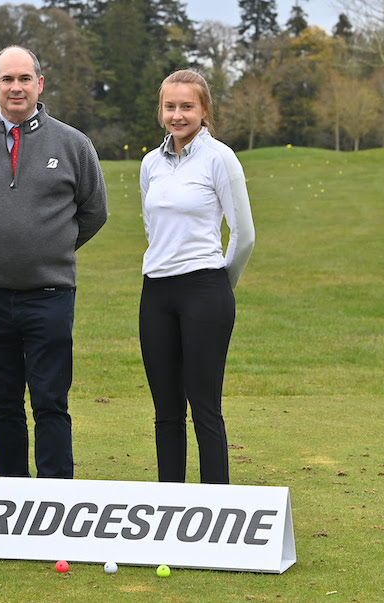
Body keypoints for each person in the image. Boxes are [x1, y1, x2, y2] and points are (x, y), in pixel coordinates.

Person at [0, 45, 108, 479]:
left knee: (51, 403)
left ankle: (54, 499)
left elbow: (94, 212)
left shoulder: (74, 144)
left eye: (24, 79)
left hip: (50, 296)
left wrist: (52, 246)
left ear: (40, 84)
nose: (16, 87)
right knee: (2, 405)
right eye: (7, 79)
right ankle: (12, 497)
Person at [139, 69, 255, 484]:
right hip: (156, 292)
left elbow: (243, 235)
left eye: (187, 106)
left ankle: (216, 505)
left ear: (204, 110)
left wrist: (221, 284)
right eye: (170, 106)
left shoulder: (219, 158)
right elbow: (152, 227)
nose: (177, 115)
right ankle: (171, 503)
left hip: (205, 289)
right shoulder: (151, 163)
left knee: (205, 407)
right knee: (166, 411)